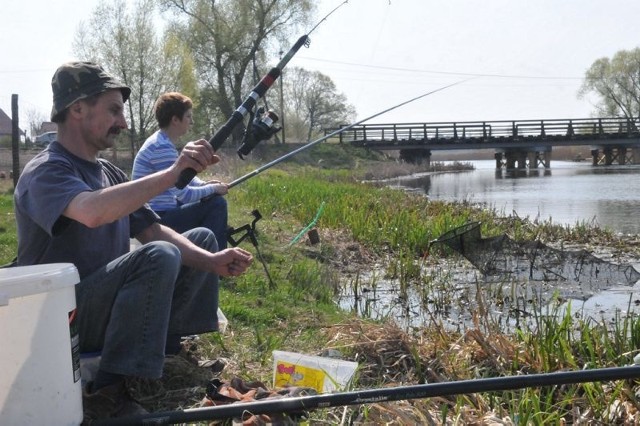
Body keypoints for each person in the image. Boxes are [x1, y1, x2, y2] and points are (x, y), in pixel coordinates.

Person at [13, 61, 253, 421]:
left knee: (199, 240)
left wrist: (211, 260)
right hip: (63, 320)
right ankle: (108, 390)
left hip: (104, 304)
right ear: (77, 108)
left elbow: (153, 230)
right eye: (113, 110)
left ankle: (166, 354)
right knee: (157, 256)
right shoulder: (46, 170)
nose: (123, 123)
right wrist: (172, 175)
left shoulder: (109, 172)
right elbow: (92, 211)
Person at [132, 92, 229, 250]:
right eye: (188, 116)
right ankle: (215, 264)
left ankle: (202, 254)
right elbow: (184, 195)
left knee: (210, 199)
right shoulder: (161, 148)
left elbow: (183, 179)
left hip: (160, 213)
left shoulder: (161, 141)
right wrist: (214, 189)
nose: (192, 122)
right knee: (217, 204)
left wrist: (205, 184)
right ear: (175, 120)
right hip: (156, 220)